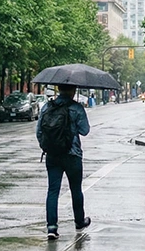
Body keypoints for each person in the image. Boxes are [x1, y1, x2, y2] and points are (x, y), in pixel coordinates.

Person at [36, 85, 91, 240]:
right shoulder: (76, 108)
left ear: (59, 89)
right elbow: (85, 130)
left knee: (53, 190)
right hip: (73, 155)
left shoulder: (47, 107)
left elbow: (39, 132)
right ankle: (79, 221)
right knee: (76, 189)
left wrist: (47, 147)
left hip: (52, 155)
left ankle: (51, 227)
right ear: (73, 91)